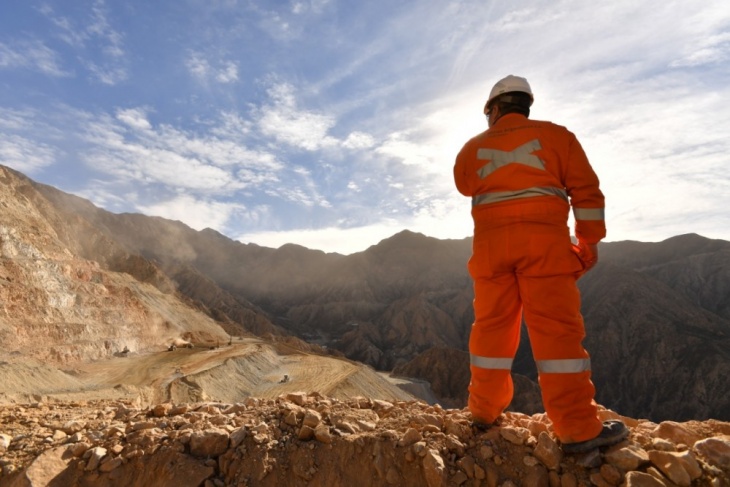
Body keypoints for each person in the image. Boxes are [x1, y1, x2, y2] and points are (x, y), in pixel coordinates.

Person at [453, 75, 628, 453]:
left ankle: (483, 411)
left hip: (490, 251)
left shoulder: (472, 148)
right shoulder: (558, 137)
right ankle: (577, 430)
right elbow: (586, 190)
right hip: (545, 248)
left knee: (490, 331)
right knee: (557, 334)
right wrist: (589, 240)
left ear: (493, 109)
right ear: (526, 105)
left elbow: (464, 185)